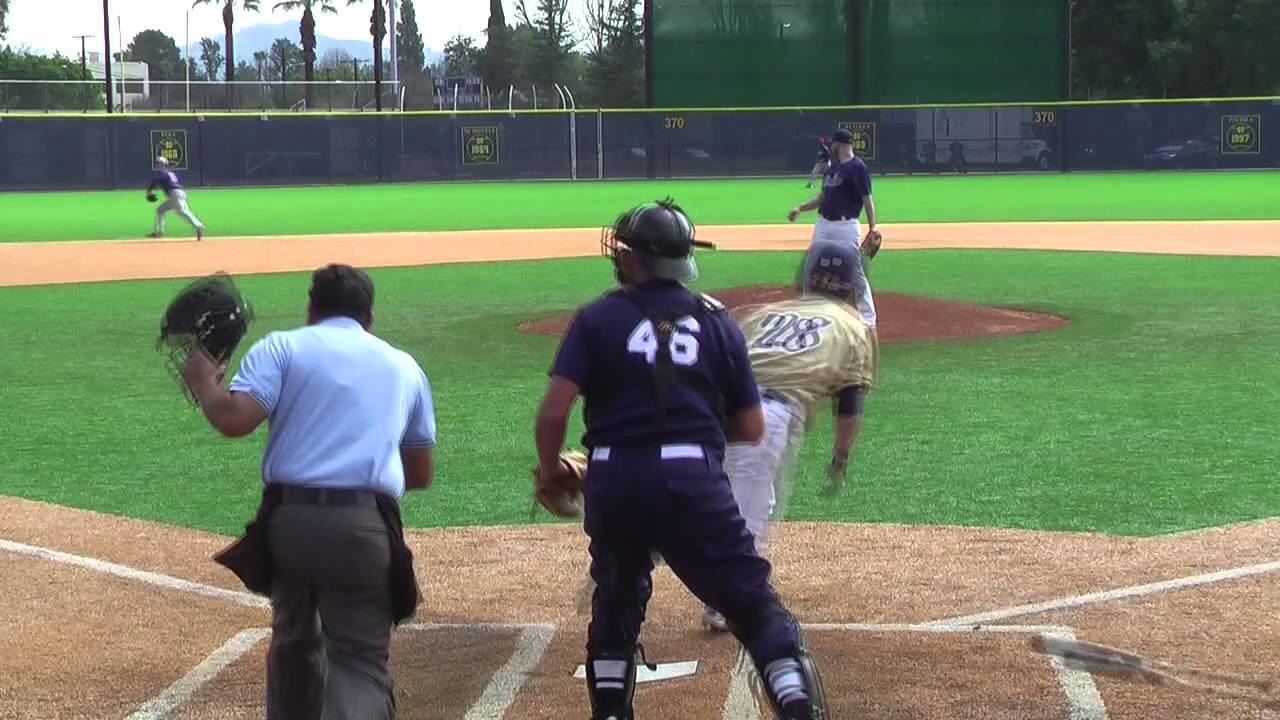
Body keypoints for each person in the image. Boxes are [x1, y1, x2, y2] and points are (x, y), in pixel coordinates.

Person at [533, 198, 827, 720]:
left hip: (615, 475)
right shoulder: (716, 321)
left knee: (617, 601)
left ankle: (611, 712)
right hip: (693, 478)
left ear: (632, 257)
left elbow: (554, 410)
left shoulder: (597, 317)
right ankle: (797, 704)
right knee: (753, 606)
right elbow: (751, 429)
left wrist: (553, 466)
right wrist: (696, 433)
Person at [180, 263, 437, 720]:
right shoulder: (404, 366)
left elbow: (235, 420)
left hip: (290, 524)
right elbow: (420, 474)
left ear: (311, 310)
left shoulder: (281, 346)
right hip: (362, 527)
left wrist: (204, 385)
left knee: (294, 646)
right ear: (369, 318)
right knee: (358, 662)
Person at [702, 241, 875, 632]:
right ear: (853, 284)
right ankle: (728, 600)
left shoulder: (768, 313)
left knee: (734, 499)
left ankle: (721, 581)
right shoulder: (853, 327)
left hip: (713, 408)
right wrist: (841, 457)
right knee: (750, 513)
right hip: (766, 417)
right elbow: (849, 404)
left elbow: (721, 357)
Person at [787, 126, 881, 371]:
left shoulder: (858, 168)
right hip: (824, 224)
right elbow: (823, 198)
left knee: (855, 272)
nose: (831, 146)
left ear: (840, 144)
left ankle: (868, 319)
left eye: (833, 143)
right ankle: (810, 313)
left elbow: (867, 199)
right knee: (811, 267)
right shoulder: (833, 169)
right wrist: (800, 208)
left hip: (846, 226)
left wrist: (873, 227)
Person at [147, 156, 205, 240]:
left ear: (162, 164)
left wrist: (149, 191)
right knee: (160, 210)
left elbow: (155, 182)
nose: (157, 165)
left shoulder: (162, 173)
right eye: (158, 163)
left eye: (159, 163)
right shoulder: (172, 173)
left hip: (174, 194)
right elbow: (179, 181)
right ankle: (159, 232)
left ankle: (199, 226)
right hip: (179, 193)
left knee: (182, 211)